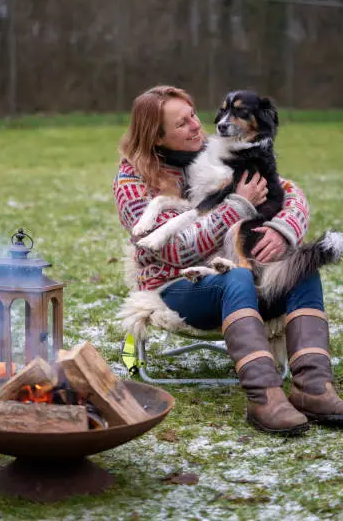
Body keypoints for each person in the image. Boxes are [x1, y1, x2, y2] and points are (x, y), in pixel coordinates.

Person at [113, 85, 343, 435]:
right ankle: (264, 396)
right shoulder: (132, 181)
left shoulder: (217, 149)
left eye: (192, 114)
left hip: (243, 272)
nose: (196, 126)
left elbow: (290, 192)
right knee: (235, 277)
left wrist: (282, 231)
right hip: (178, 288)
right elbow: (173, 250)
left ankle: (314, 388)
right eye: (181, 124)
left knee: (300, 267)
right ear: (157, 138)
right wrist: (237, 204)